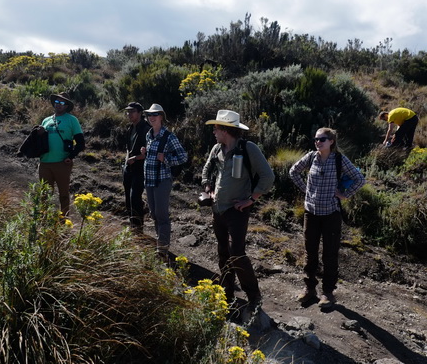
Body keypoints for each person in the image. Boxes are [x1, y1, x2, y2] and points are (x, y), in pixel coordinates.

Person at [201, 110, 275, 312]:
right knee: (223, 251)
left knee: (237, 253)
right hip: (218, 209)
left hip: (237, 211)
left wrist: (251, 199)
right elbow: (206, 171)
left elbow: (268, 176)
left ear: (225, 130)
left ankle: (254, 297)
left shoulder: (248, 148)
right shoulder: (217, 148)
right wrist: (208, 187)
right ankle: (227, 293)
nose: (213, 132)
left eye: (216, 128)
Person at [289, 127, 365, 308]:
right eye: (316, 139)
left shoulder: (339, 159)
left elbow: (359, 179)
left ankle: (328, 292)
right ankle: (309, 289)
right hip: (311, 213)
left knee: (330, 254)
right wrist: (306, 190)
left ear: (331, 141)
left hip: (331, 214)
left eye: (322, 139)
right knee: (310, 252)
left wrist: (345, 194)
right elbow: (293, 172)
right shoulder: (311, 157)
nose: (318, 142)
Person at [139, 103, 187, 259]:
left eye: (155, 114)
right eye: (149, 115)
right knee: (154, 213)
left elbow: (183, 157)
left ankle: (162, 249)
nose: (151, 117)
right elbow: (151, 156)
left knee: (162, 215)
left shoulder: (169, 136)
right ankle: (160, 244)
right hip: (149, 180)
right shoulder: (149, 135)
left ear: (161, 117)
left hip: (162, 180)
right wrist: (145, 152)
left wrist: (165, 158)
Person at [38, 92, 85, 217]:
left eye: (62, 102)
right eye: (57, 102)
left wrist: (71, 156)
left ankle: (64, 221)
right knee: (44, 195)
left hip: (62, 163)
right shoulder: (46, 120)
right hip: (45, 163)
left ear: (66, 106)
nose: (58, 104)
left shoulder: (72, 120)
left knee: (63, 194)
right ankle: (44, 220)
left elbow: (81, 143)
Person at [123, 102, 151, 231]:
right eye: (128, 111)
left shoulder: (146, 129)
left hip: (140, 169)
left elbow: (149, 152)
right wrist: (127, 159)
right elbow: (128, 147)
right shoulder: (130, 128)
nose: (129, 114)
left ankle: (138, 228)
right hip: (129, 167)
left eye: (132, 111)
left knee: (135, 198)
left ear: (140, 113)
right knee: (128, 198)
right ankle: (132, 225)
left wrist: (135, 158)